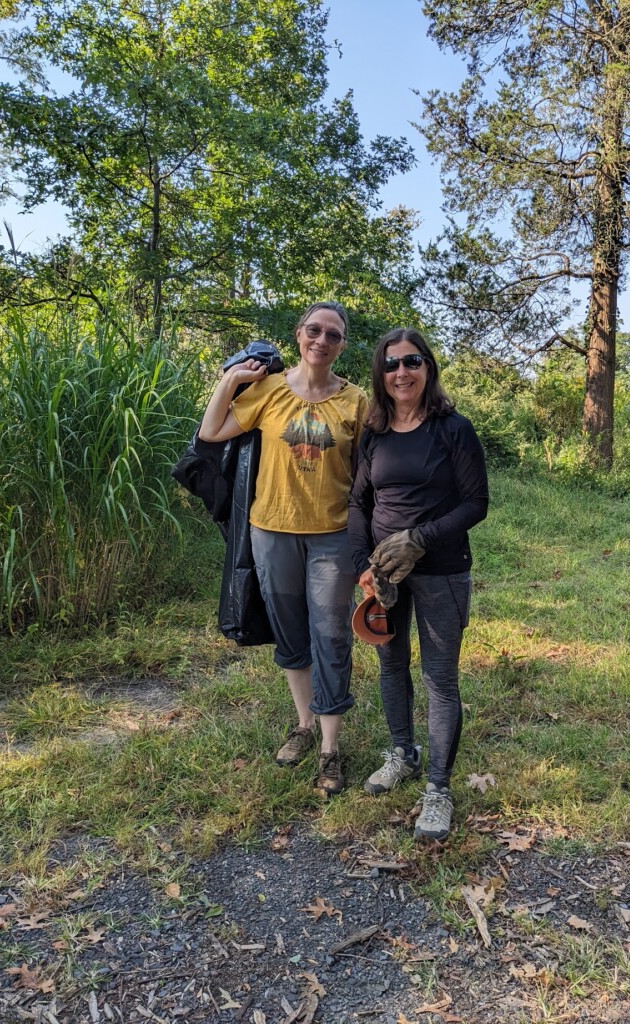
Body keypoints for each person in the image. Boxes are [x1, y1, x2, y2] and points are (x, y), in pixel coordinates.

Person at [199, 302, 368, 794]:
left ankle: (330, 749)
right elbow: (211, 432)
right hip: (271, 530)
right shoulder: (268, 392)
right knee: (291, 633)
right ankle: (303, 723)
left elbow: (368, 474)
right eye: (313, 330)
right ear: (298, 335)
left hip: (333, 536)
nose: (322, 340)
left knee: (332, 637)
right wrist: (230, 381)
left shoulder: (356, 402)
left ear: (342, 345)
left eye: (332, 335)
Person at [348, 328, 489, 840]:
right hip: (384, 574)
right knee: (390, 662)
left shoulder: (454, 429)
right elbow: (359, 502)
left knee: (439, 678)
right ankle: (401, 753)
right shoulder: (376, 434)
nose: (401, 373)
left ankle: (438, 788)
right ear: (380, 375)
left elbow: (476, 503)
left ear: (427, 368)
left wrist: (420, 539)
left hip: (441, 570)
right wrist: (365, 560)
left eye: (411, 362)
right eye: (391, 365)